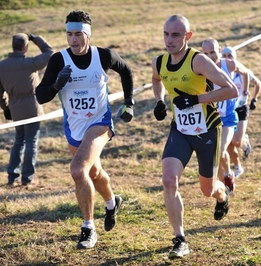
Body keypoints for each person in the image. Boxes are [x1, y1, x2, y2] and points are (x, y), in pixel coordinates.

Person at [36, 10, 134, 249]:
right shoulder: (59, 60)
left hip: (99, 123)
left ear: (87, 34)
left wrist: (129, 103)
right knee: (93, 173)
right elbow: (40, 96)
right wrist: (57, 83)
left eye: (78, 34)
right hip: (74, 127)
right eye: (69, 34)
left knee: (78, 170)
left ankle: (88, 228)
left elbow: (126, 71)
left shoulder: (104, 56)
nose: (73, 39)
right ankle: (112, 203)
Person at [151, 14, 238, 259]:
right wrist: (159, 101)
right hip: (180, 130)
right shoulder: (159, 62)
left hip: (208, 130)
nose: (169, 40)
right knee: (169, 180)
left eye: (176, 35)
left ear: (188, 37)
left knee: (207, 190)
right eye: (166, 34)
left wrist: (196, 99)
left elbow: (230, 89)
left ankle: (223, 195)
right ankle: (180, 239)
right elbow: (157, 79)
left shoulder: (198, 61)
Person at [0, 33, 54, 187]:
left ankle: (12, 176)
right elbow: (50, 53)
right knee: (31, 142)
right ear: (24, 47)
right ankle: (27, 178)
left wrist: (6, 108)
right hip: (32, 107)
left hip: (15, 108)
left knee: (19, 141)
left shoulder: (1, 66)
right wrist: (36, 38)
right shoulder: (30, 63)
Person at [202, 38, 249, 190]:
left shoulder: (229, 64)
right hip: (211, 118)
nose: (210, 56)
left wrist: (244, 94)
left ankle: (227, 177)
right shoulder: (200, 69)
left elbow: (245, 73)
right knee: (215, 153)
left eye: (213, 52)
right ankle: (228, 175)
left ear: (219, 50)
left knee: (221, 149)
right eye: (206, 53)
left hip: (228, 117)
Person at [221, 47, 261, 177]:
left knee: (236, 141)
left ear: (235, 57)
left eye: (230, 55)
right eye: (225, 55)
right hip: (226, 110)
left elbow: (258, 83)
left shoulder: (243, 72)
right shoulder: (220, 73)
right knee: (228, 144)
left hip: (240, 108)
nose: (227, 58)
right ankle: (238, 167)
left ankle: (244, 140)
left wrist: (254, 99)